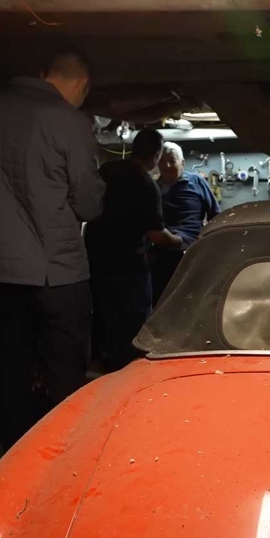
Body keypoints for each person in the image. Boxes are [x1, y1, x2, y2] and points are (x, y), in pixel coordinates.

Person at [0, 49, 105, 448]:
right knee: (64, 369)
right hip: (54, 270)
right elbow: (89, 203)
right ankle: (62, 454)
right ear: (82, 84)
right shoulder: (69, 121)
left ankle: (16, 456)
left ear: (43, 73)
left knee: (10, 370)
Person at [85, 129, 183, 371]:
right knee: (133, 330)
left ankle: (105, 370)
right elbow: (157, 236)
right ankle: (128, 374)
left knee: (104, 321)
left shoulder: (106, 171)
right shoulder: (145, 184)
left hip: (96, 263)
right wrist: (180, 241)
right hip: (129, 269)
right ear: (156, 155)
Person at [152, 141, 221, 301]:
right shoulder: (153, 188)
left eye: (172, 160)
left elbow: (216, 215)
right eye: (162, 161)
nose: (167, 166)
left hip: (192, 250)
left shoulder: (197, 182)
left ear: (182, 162)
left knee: (193, 298)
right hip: (162, 254)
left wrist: (210, 244)